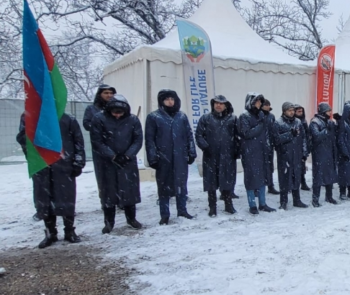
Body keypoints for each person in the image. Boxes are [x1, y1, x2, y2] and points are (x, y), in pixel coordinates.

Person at [17, 112, 85, 248]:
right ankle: (50, 233)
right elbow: (24, 140)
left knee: (66, 198)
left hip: (64, 165)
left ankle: (70, 231)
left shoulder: (68, 119)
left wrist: (78, 161)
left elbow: (78, 141)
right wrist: (33, 158)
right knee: (44, 200)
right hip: (41, 166)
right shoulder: (31, 115)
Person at [90, 95, 143, 233]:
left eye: (120, 113)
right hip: (107, 163)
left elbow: (137, 140)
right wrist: (112, 155)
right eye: (115, 113)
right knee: (108, 192)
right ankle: (109, 222)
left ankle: (131, 218)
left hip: (128, 162)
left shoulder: (133, 120)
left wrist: (127, 155)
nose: (118, 115)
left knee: (129, 191)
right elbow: (97, 141)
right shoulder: (99, 119)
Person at [145, 90, 197, 225]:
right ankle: (165, 214)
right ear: (161, 101)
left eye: (172, 99)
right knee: (163, 186)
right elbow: (149, 140)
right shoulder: (154, 117)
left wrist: (191, 152)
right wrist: (153, 157)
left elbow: (189, 135)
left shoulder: (181, 116)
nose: (170, 102)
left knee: (181, 184)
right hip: (163, 157)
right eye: (167, 99)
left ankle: (182, 210)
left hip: (180, 157)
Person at [195, 95, 239, 217]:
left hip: (228, 155)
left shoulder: (233, 119)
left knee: (227, 181)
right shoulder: (206, 118)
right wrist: (206, 147)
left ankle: (228, 204)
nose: (218, 105)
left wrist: (236, 150)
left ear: (225, 105)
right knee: (211, 182)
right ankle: (212, 207)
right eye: (216, 103)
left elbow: (238, 136)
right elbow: (199, 135)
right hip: (211, 155)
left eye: (221, 103)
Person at [237, 93, 276, 214]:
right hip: (250, 152)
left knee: (263, 177)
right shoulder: (244, 116)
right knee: (250, 178)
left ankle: (263, 203)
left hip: (263, 151)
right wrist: (260, 126)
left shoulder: (261, 115)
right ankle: (252, 205)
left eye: (260, 102)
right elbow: (246, 133)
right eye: (257, 102)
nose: (260, 104)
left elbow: (266, 133)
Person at [83, 84, 117, 212]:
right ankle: (105, 200)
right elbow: (86, 124)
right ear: (100, 95)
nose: (109, 95)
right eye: (106, 93)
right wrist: (100, 128)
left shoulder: (118, 107)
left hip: (117, 146)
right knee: (103, 176)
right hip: (100, 148)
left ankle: (120, 200)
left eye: (111, 93)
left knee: (118, 175)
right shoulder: (92, 109)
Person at [273, 102, 309, 210]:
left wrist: (304, 153)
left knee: (296, 177)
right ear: (284, 111)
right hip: (284, 156)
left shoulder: (298, 122)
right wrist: (289, 134)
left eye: (293, 110)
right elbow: (276, 140)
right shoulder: (278, 123)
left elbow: (303, 138)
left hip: (297, 155)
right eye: (289, 110)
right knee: (284, 179)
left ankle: (296, 200)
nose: (292, 112)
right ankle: (283, 202)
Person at [310, 102, 339, 206]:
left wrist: (339, 121)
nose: (330, 113)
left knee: (329, 175)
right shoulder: (315, 122)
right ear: (322, 111)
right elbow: (316, 137)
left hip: (330, 152)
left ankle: (329, 196)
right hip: (319, 153)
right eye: (328, 111)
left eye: (330, 110)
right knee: (318, 177)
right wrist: (326, 130)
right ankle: (315, 199)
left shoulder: (330, 122)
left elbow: (336, 133)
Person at [261, 99, 280, 195]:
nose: (267, 106)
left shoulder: (271, 116)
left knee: (269, 166)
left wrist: (274, 143)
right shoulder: (258, 115)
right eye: (265, 105)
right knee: (260, 167)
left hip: (270, 145)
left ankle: (270, 185)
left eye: (268, 105)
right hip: (259, 145)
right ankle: (258, 187)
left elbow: (274, 130)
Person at [294, 105, 311, 191]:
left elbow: (307, 135)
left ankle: (303, 182)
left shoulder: (304, 121)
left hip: (302, 147)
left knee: (302, 166)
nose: (300, 113)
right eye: (298, 111)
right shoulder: (293, 122)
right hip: (293, 147)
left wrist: (307, 146)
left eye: (301, 111)